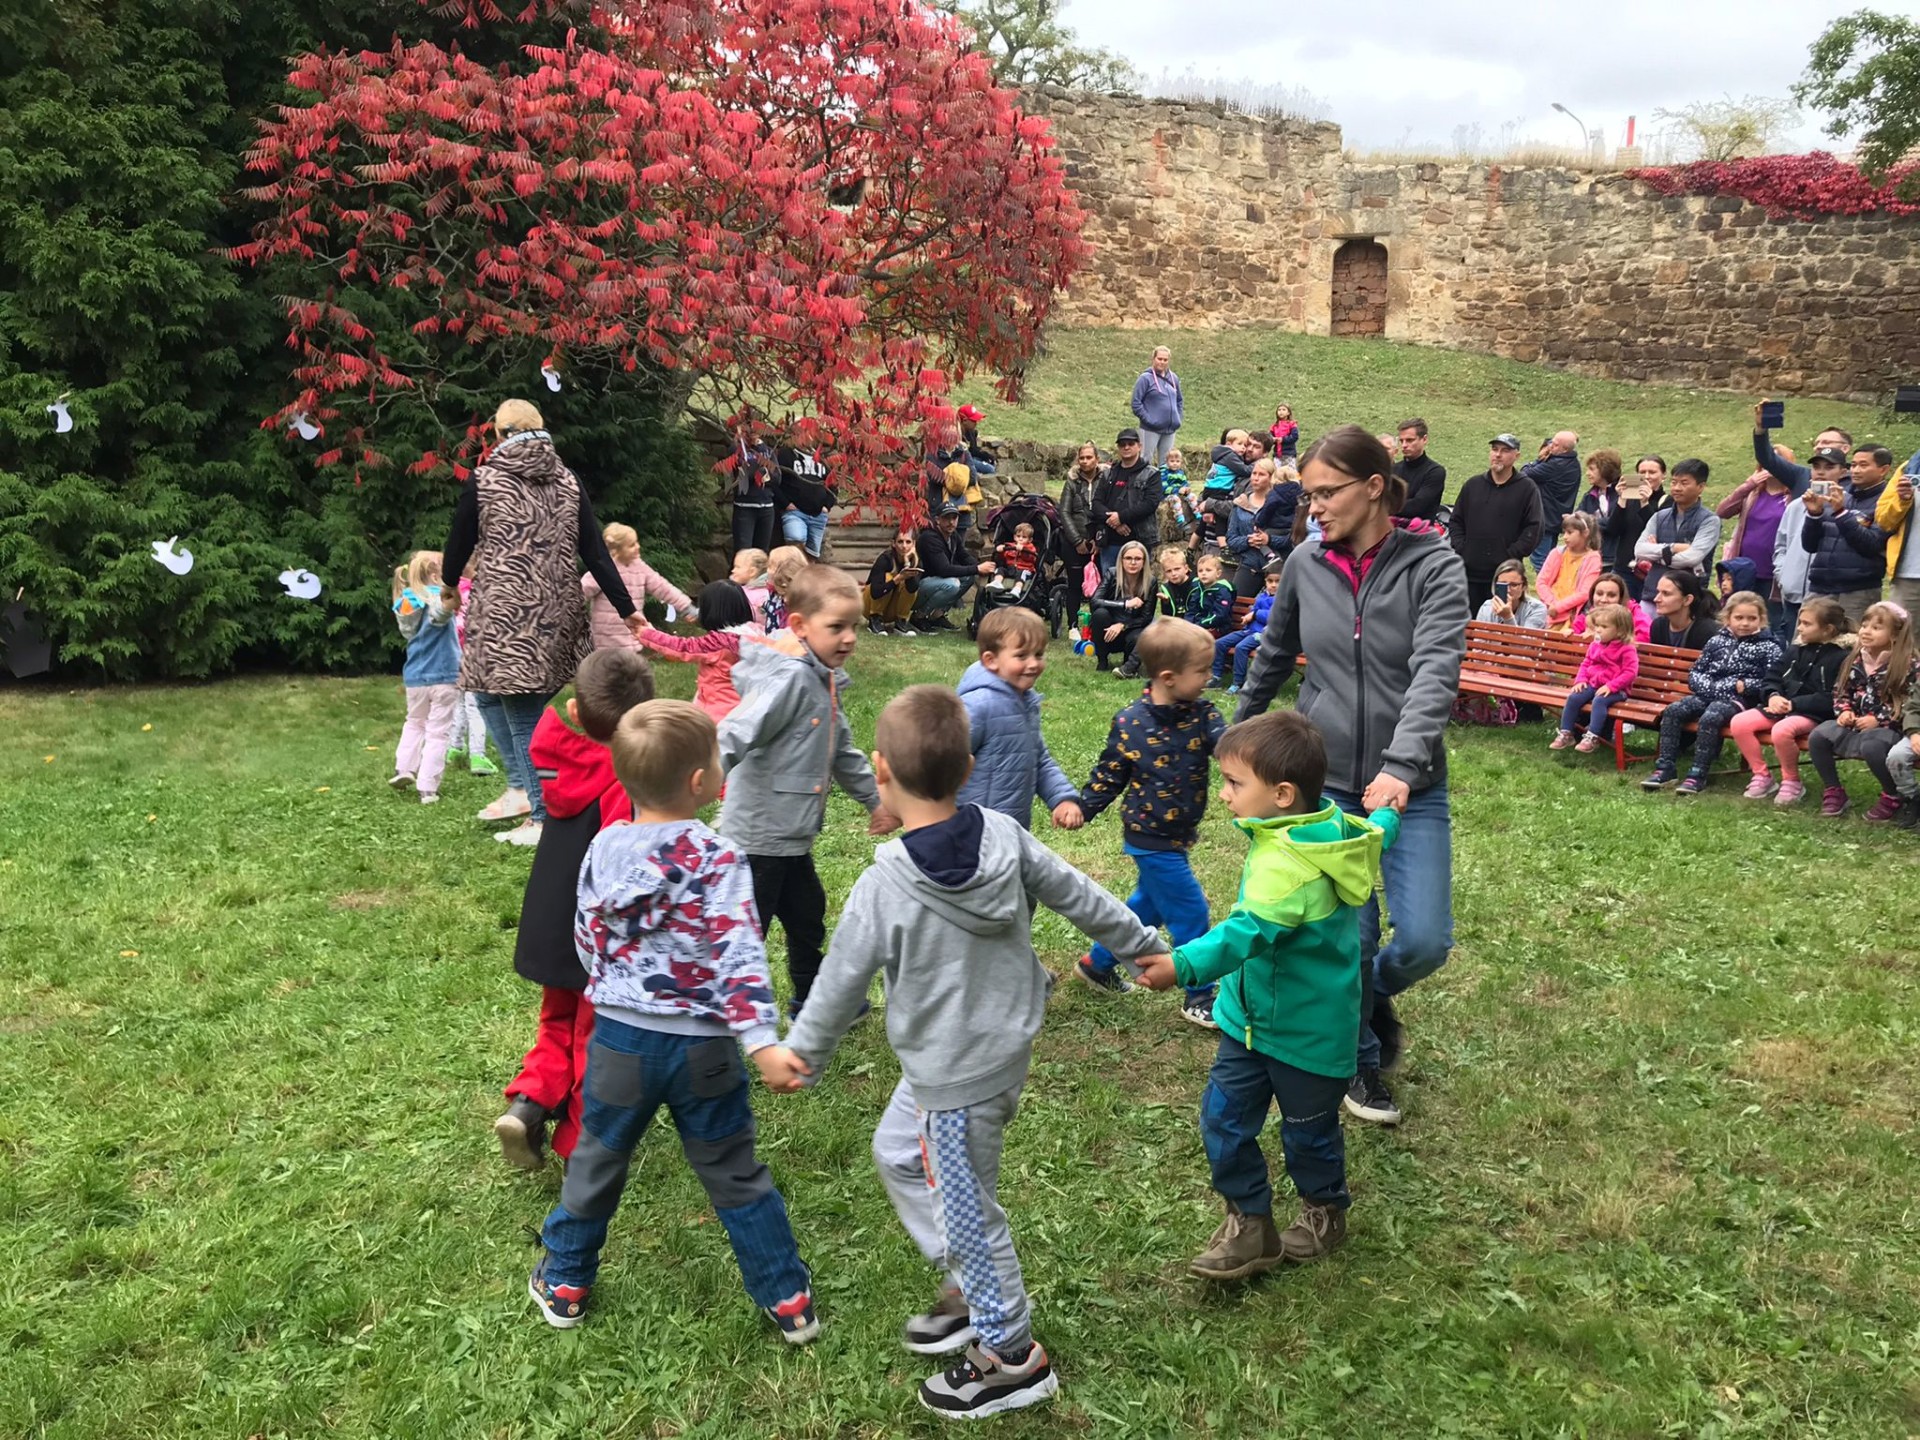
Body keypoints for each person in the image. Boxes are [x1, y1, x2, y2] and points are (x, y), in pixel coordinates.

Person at [755, 686, 1169, 1420]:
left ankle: (1011, 1355)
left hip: (956, 1074)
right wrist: (1141, 944)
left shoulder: (885, 884)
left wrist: (802, 1052)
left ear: (880, 770)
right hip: (985, 1052)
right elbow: (1080, 893)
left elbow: (840, 979)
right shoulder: (1003, 835)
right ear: (969, 767)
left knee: (969, 1213)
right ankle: (968, 1283)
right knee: (896, 1153)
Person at [527, 699, 817, 1341]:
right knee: (733, 1170)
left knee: (599, 1156)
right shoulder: (719, 858)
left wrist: (610, 987)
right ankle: (787, 1297)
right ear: (700, 780)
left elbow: (586, 936)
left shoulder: (603, 847)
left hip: (619, 1042)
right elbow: (740, 955)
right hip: (704, 1052)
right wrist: (761, 1042)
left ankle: (566, 1278)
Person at [1236, 426, 1468, 1128]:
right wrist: (1237, 736)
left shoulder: (1434, 565)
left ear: (1373, 488)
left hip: (1411, 785)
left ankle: (1369, 995)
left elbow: (1436, 668)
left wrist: (1402, 766)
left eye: (1326, 493)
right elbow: (1275, 653)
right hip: (1327, 783)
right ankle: (1360, 1059)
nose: (1314, 508)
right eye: (1308, 495)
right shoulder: (1306, 564)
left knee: (1424, 941)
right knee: (1351, 936)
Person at [1133, 711, 1398, 1278]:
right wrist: (1386, 813)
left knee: (1309, 1135)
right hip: (1247, 1023)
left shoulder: (1292, 869)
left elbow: (1245, 933)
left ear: (1282, 794)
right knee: (1223, 1120)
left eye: (1234, 783)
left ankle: (1324, 1209)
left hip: (1306, 1033)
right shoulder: (1332, 829)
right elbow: (1375, 833)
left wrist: (1182, 964)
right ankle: (1250, 1222)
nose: (1223, 794)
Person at [442, 399, 642, 845]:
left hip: (505, 616)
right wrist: (626, 607)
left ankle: (542, 814)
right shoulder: (569, 481)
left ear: (499, 435)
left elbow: (459, 541)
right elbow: (595, 552)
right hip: (557, 612)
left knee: (522, 712)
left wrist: (450, 584)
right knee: (487, 695)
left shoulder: (485, 479)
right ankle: (519, 788)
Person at [494, 647, 656, 1170]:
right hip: (594, 939)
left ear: (575, 713)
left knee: (556, 1017)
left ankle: (529, 1102)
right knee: (594, 1034)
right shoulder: (626, 784)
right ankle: (582, 1143)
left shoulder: (559, 764)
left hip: (552, 922)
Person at [718, 566, 898, 1014]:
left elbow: (842, 751)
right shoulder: (790, 680)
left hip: (791, 837)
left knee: (806, 915)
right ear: (799, 625)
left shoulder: (822, 679)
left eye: (854, 626)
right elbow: (736, 733)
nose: (849, 638)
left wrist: (876, 802)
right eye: (837, 627)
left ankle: (810, 999)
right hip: (759, 837)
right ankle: (720, 1015)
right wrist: (692, 782)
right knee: (748, 930)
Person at [1073, 618, 1228, 1027]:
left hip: (1178, 834)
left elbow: (1230, 746)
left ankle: (1096, 964)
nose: (1209, 677)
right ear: (1169, 677)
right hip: (1149, 836)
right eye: (1202, 671)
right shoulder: (1131, 722)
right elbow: (1110, 774)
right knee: (1191, 911)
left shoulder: (1202, 713)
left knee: (1148, 907)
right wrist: (1083, 807)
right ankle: (1199, 995)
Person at [1640, 592, 1781, 794]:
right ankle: (1665, 768)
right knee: (1673, 711)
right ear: (1728, 618)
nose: (1745, 623)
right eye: (1739, 617)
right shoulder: (1716, 641)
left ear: (1762, 619)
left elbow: (1772, 681)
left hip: (1738, 700)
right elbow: (1696, 672)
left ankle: (1698, 773)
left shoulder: (1768, 647)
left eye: (1752, 618)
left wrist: (1746, 685)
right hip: (1706, 694)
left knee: (1711, 717)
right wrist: (1708, 687)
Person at [956, 607, 1082, 831]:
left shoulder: (1025, 702)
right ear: (991, 660)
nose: (1033, 663)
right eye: (1021, 656)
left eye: (1039, 654)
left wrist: (1062, 798)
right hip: (971, 830)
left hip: (1012, 829)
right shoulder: (978, 706)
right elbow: (941, 764)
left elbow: (1039, 759)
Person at [1727, 598, 1848, 804]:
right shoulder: (1795, 650)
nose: (1799, 628)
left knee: (1782, 730)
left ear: (1828, 629)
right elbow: (1772, 677)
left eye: (1807, 624)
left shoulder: (1842, 657)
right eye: (1800, 622)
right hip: (1782, 707)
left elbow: (1834, 697)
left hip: (1813, 713)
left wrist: (1794, 705)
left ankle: (1792, 781)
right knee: (1740, 723)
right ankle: (1762, 776)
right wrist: (1773, 695)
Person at [1808, 601, 1918, 818]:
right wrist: (1844, 711)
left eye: (1876, 628)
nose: (1866, 631)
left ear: (1895, 635)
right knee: (1818, 736)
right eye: (1865, 625)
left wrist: (1879, 719)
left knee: (1872, 747)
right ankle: (1834, 790)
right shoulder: (1855, 659)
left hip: (1889, 728)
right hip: (1855, 724)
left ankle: (1892, 795)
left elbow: (1909, 703)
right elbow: (1840, 691)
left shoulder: (1908, 665)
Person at [389, 550, 461, 805]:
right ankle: (428, 787)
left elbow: (409, 631)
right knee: (438, 732)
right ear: (433, 574)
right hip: (444, 675)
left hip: (415, 677)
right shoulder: (437, 597)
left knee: (414, 722)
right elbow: (440, 614)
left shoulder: (406, 601)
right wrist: (451, 598)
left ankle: (404, 768)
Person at [632, 580, 761, 721]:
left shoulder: (719, 643)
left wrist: (647, 634)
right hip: (747, 708)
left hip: (718, 713)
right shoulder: (755, 634)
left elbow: (681, 648)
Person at [1449, 433, 1544, 613]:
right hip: (1468, 573)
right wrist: (1463, 548)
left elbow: (1534, 528)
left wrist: (1510, 555)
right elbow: (1456, 521)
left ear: (1516, 455)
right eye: (1494, 449)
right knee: (1465, 622)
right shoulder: (1473, 485)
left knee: (1499, 621)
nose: (1498, 455)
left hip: (1504, 578)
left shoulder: (1527, 488)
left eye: (1505, 450)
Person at [1799, 445, 1892, 628]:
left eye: (1863, 465)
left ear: (1883, 470)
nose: (1856, 470)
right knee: (1805, 640)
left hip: (1857, 590)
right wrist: (1814, 515)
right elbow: (1810, 545)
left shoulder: (1887, 501)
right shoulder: (1839, 495)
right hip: (1820, 586)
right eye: (1854, 465)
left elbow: (1871, 544)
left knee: (1850, 643)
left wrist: (1841, 513)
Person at [584, 523, 694, 651]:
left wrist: (685, 606)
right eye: (632, 545)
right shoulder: (602, 569)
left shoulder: (640, 568)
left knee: (631, 662)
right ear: (617, 550)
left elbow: (663, 588)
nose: (638, 546)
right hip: (605, 641)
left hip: (633, 634)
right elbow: (580, 591)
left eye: (637, 542)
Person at [1633, 458, 1719, 615]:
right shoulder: (1659, 517)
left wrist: (1656, 554)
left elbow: (1692, 558)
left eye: (1684, 483)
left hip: (1687, 600)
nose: (1677, 488)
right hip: (1652, 594)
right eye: (1674, 482)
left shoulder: (1709, 521)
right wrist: (1673, 548)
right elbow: (1639, 550)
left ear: (1701, 487)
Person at [1550, 603, 1640, 754]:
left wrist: (1611, 686)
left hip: (1617, 690)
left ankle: (1592, 736)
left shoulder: (1627, 649)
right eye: (1597, 625)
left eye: (1604, 627)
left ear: (1620, 630)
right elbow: (1586, 664)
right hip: (1593, 684)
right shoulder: (1595, 645)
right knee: (1574, 697)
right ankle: (1566, 733)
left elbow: (1630, 672)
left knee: (1599, 701)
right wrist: (1580, 680)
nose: (1598, 630)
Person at [913, 503, 996, 631]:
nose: (951, 522)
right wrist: (977, 569)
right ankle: (918, 616)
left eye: (954, 518)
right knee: (952, 584)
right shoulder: (929, 538)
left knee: (968, 577)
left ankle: (937, 615)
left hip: (936, 582)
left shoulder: (953, 535)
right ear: (937, 520)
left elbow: (964, 556)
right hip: (917, 588)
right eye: (947, 518)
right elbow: (944, 570)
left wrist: (981, 567)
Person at [1093, 428, 1160, 571]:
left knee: (1139, 582)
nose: (1126, 447)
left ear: (1139, 446)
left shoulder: (1151, 474)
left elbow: (1150, 504)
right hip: (1110, 541)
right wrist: (1114, 522)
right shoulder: (1108, 474)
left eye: (1131, 443)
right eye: (1122, 444)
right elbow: (1096, 503)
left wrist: (1121, 517)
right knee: (1110, 582)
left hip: (1139, 540)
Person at [1089, 540, 1156, 677]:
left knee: (1141, 635)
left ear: (1144, 561)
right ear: (1121, 560)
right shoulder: (1112, 573)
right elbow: (1095, 601)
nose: (1133, 562)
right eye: (1128, 558)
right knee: (1100, 614)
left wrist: (1123, 625)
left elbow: (1146, 618)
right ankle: (1102, 660)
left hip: (1132, 628)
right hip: (1109, 627)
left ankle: (1129, 664)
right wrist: (1124, 604)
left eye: (1138, 559)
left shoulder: (1151, 581)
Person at [1612, 454, 1672, 602]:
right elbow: (1613, 529)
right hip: (1624, 567)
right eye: (1642, 472)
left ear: (1663, 475)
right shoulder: (1629, 499)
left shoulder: (1667, 501)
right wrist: (1621, 500)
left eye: (1652, 472)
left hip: (1651, 571)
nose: (1647, 476)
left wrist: (1645, 503)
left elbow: (1658, 529)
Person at [1213, 566, 1281, 690]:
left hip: (1265, 634)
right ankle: (1216, 676)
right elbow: (1253, 611)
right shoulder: (1262, 596)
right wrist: (1247, 618)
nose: (1273, 585)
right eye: (1270, 581)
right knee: (1220, 643)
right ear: (1265, 582)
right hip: (1249, 630)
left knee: (1241, 647)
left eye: (1277, 582)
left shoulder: (1283, 599)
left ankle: (1238, 683)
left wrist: (1255, 614)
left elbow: (1275, 616)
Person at [1521, 430, 1582, 571]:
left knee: (1540, 561)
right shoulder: (1574, 463)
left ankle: (1549, 584)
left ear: (1564, 449)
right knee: (1550, 558)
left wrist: (1538, 460)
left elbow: (1525, 473)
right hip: (1556, 518)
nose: (1550, 446)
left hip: (1545, 519)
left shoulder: (1554, 465)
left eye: (1554, 444)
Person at [1226, 458, 1286, 597]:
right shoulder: (1240, 503)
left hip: (1277, 568)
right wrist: (1248, 541)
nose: (1256, 478)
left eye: (1261, 474)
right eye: (1254, 473)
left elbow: (1290, 538)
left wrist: (1269, 539)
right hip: (1250, 564)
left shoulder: (1281, 504)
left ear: (1271, 477)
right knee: (1235, 602)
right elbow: (1231, 539)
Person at [1535, 512, 1602, 634]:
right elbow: (1541, 582)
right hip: (1550, 613)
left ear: (1585, 533)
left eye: (1570, 533)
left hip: (1573, 616)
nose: (1565, 537)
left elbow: (1585, 593)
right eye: (1564, 532)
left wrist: (1559, 607)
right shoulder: (1557, 553)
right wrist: (1551, 603)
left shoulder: (1593, 558)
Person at [1875, 455, 1920, 617]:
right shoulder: (1910, 467)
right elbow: (1883, 520)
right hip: (1909, 576)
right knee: (1902, 631)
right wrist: (1902, 500)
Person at [774, 444, 838, 558]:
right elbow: (776, 481)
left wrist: (827, 506)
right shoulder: (786, 454)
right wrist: (785, 503)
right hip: (794, 512)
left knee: (812, 554)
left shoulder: (822, 457)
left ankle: (808, 570)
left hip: (818, 514)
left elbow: (833, 484)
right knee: (795, 540)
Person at [1057, 443, 1103, 590]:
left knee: (1101, 587)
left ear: (1097, 459)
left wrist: (1099, 540)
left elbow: (1108, 509)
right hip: (1075, 541)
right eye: (1082, 458)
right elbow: (1064, 512)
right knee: (1074, 586)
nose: (1085, 461)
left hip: (1100, 541)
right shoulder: (1071, 482)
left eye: (1089, 457)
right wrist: (1077, 541)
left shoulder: (1106, 480)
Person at [728, 425, 779, 555]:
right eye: (749, 430)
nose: (753, 434)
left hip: (766, 508)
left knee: (761, 554)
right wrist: (762, 471)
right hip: (745, 508)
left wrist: (763, 474)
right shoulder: (737, 450)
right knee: (743, 553)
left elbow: (777, 478)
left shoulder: (768, 451)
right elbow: (744, 475)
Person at [863, 525, 923, 636]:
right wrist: (897, 579)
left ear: (914, 544)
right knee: (888, 577)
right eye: (900, 542)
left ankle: (901, 622)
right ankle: (875, 620)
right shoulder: (885, 559)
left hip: (892, 609)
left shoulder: (916, 561)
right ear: (893, 543)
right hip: (870, 605)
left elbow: (913, 588)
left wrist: (907, 563)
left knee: (907, 581)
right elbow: (875, 592)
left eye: (908, 542)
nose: (904, 546)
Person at [1131, 346, 1184, 466]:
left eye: (1165, 360)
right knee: (1145, 460)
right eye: (1159, 359)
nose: (1162, 362)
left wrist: (1178, 419)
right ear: (1153, 359)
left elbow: (1179, 400)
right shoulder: (1145, 378)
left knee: (1167, 463)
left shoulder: (1174, 378)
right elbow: (1136, 403)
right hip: (1150, 429)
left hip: (1170, 430)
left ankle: (1163, 480)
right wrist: (1150, 421)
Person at [1574, 448, 1624, 571]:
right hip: (1593, 555)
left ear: (1605, 470)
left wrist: (1591, 521)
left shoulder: (1622, 493)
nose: (1587, 473)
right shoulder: (1589, 496)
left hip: (1616, 556)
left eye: (1592, 469)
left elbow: (1616, 524)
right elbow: (1578, 520)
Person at [1647, 571, 1719, 649]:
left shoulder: (1707, 631)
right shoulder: (1658, 626)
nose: (1656, 599)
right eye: (1658, 592)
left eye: (1666, 594)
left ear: (1687, 600)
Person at [1393, 418, 1446, 523]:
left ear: (1424, 439)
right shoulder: (1393, 469)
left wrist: (1385, 506)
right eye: (1401, 441)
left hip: (1421, 530)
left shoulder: (1435, 472)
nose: (1404, 445)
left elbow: (1417, 507)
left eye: (1410, 440)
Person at [1571, 573, 1652, 642]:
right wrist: (1569, 635)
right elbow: (1574, 638)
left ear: (1620, 598)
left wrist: (1606, 639)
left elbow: (1644, 638)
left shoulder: (1634, 613)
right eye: (1599, 594)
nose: (1603, 600)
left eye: (1611, 595)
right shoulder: (1586, 616)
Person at [1474, 559, 1547, 628]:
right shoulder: (1487, 607)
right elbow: (1479, 636)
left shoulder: (1536, 609)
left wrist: (1508, 617)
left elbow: (1527, 637)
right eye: (1503, 585)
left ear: (1524, 586)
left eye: (1514, 585)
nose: (1508, 590)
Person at [1187, 551, 1236, 637]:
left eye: (1208, 570)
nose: (1203, 573)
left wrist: (1199, 624)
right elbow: (1191, 609)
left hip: (1218, 627)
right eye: (1200, 571)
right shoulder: (1198, 588)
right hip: (1199, 624)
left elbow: (1219, 615)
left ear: (1218, 573)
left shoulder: (1222, 591)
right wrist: (1188, 623)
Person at [988, 522, 1040, 596]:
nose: (1020, 539)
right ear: (1014, 537)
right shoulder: (1010, 546)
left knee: (1021, 574)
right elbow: (1004, 557)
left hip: (1025, 569)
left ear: (1030, 539)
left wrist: (1023, 551)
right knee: (1000, 569)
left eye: (1024, 537)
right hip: (1010, 568)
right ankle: (997, 582)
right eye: (1018, 536)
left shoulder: (1031, 548)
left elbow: (1031, 558)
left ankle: (1017, 589)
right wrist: (1001, 551)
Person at [731, 547, 771, 626]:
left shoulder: (763, 596)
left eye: (737, 567)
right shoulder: (741, 589)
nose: (733, 570)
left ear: (752, 571)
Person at [1155, 544, 1196, 616]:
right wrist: (1166, 603)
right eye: (1169, 571)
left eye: (1177, 569)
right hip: (1175, 621)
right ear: (1164, 573)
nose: (1173, 574)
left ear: (1186, 568)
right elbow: (1167, 615)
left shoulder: (1196, 584)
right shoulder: (1167, 588)